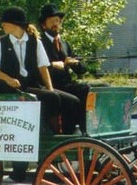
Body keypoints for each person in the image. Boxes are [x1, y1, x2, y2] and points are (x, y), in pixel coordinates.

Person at [0, 6, 80, 182]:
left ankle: (67, 136)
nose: (2, 26)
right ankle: (49, 137)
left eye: (5, 23)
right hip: (12, 89)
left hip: (31, 86)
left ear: (14, 24)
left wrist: (50, 88)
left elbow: (43, 68)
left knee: (72, 100)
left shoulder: (34, 41)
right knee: (51, 98)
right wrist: (8, 79)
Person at [39, 3, 90, 133]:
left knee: (100, 88)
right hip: (50, 86)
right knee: (83, 91)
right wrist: (52, 65)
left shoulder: (65, 44)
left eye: (57, 20)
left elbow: (83, 69)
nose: (55, 24)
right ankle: (73, 131)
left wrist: (75, 63)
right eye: (51, 21)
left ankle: (89, 127)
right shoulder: (39, 43)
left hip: (67, 85)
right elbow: (35, 67)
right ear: (44, 25)